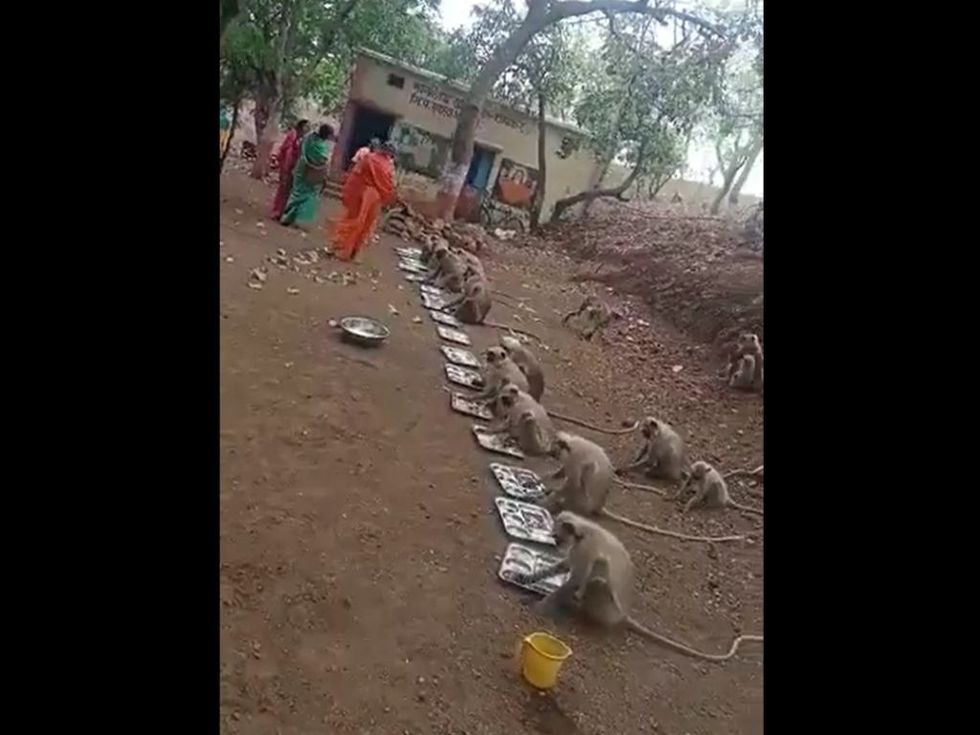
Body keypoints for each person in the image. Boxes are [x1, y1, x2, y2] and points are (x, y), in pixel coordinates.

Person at [330, 141, 397, 262]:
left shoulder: (369, 158)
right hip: (375, 197)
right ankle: (354, 253)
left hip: (363, 193)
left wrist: (349, 191)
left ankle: (342, 249)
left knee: (354, 221)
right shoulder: (389, 166)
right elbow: (390, 186)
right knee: (365, 226)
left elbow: (356, 174)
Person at [280, 123, 335, 228]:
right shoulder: (320, 146)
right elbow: (323, 160)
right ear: (326, 135)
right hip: (311, 172)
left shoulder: (309, 138)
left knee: (296, 192)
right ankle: (293, 218)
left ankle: (287, 217)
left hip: (300, 168)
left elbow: (301, 145)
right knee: (307, 195)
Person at [269, 119, 309, 220]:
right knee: (282, 189)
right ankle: (276, 210)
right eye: (306, 126)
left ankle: (283, 212)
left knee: (289, 190)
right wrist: (277, 160)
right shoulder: (293, 135)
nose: (307, 129)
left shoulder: (303, 139)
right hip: (286, 165)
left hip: (296, 167)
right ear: (301, 126)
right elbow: (284, 148)